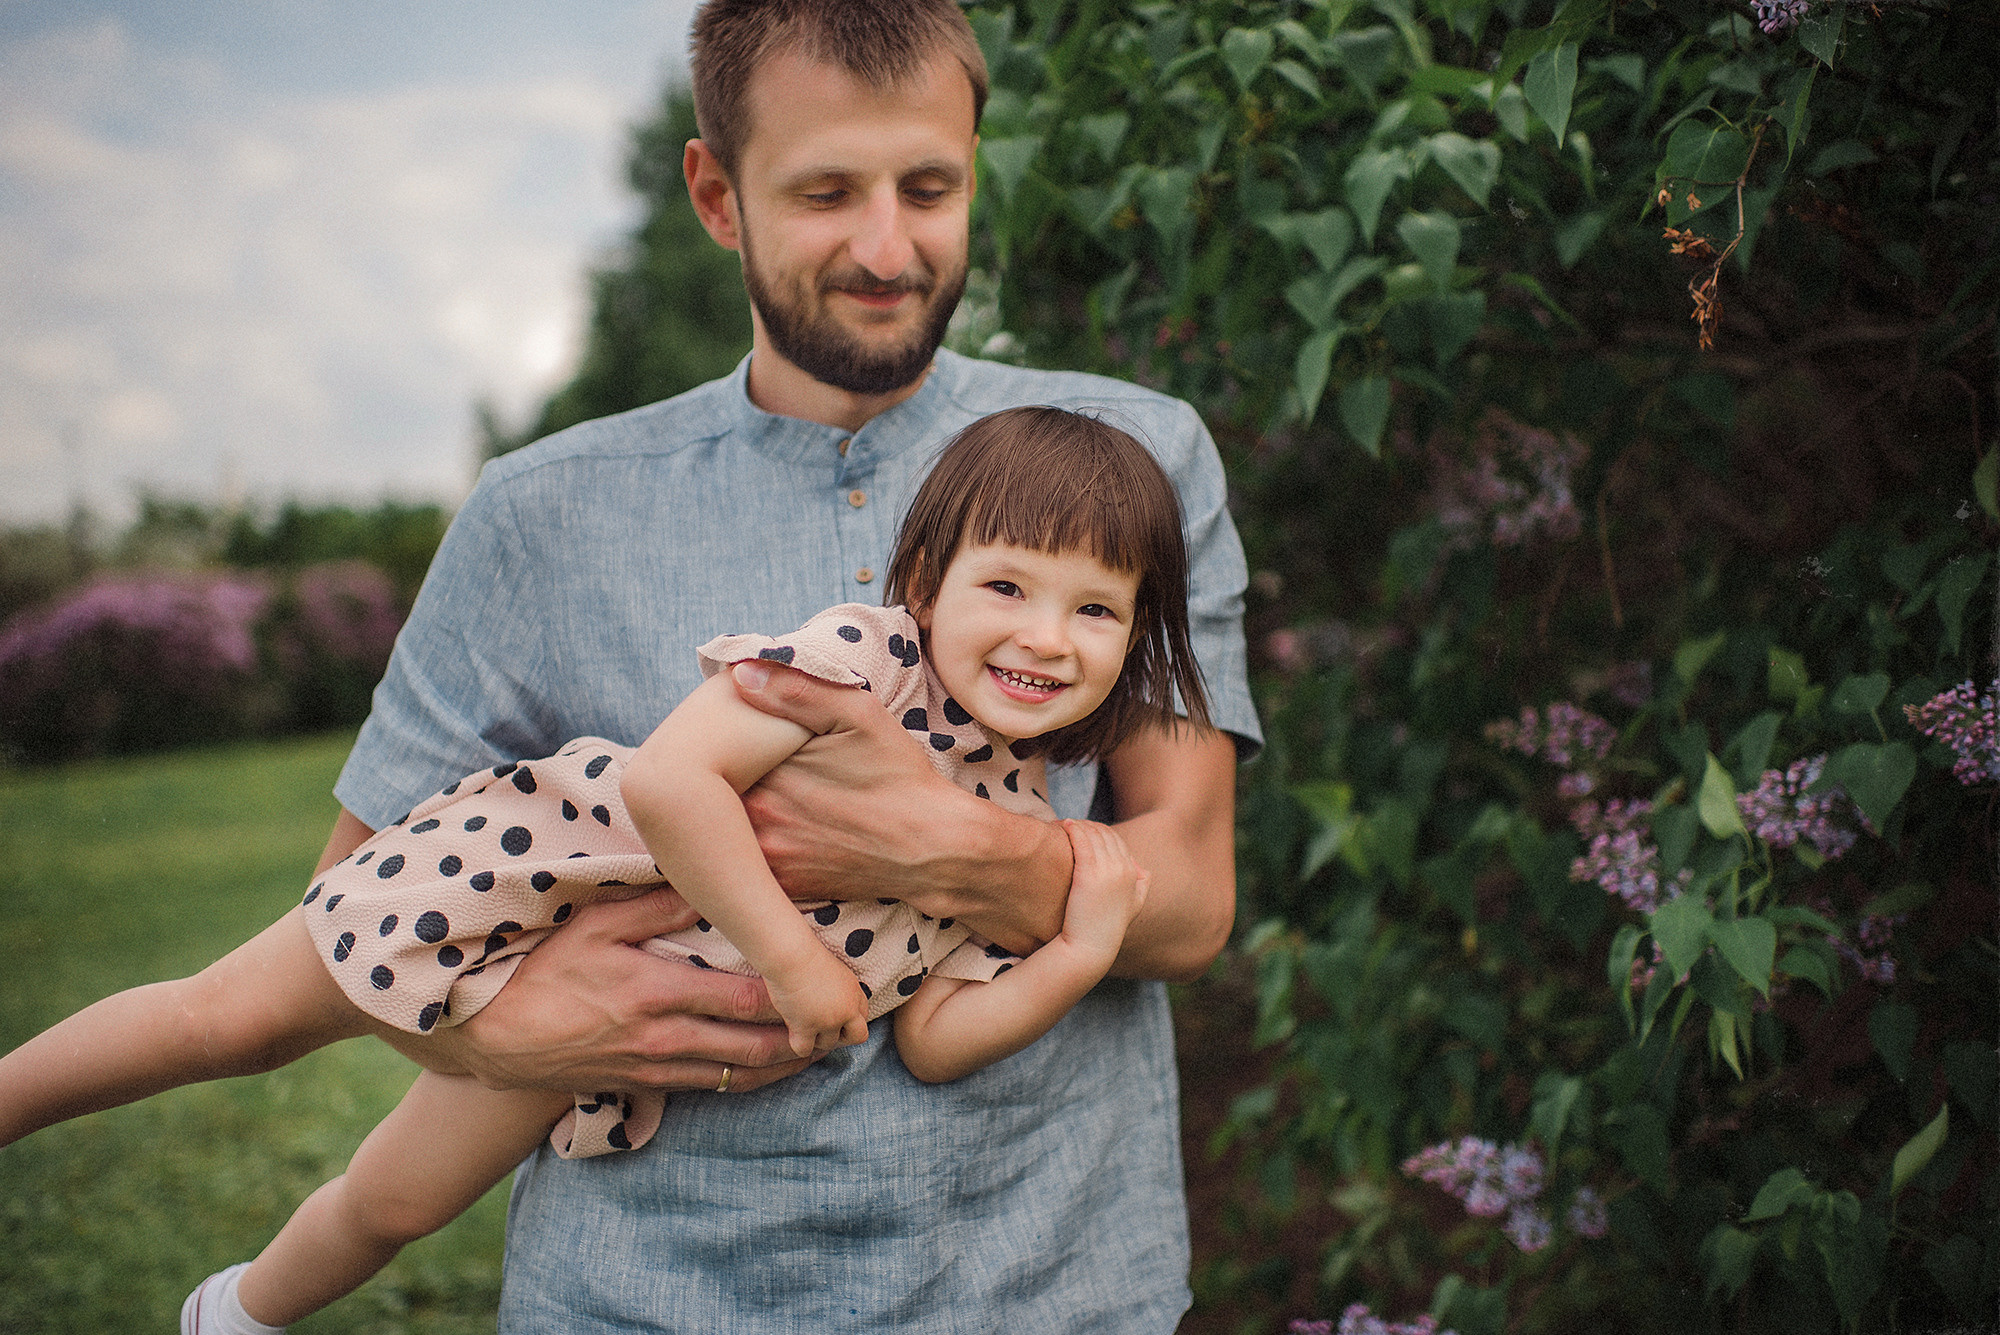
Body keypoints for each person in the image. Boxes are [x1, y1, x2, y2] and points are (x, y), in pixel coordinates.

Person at [230, 0, 1255, 1328]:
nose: (889, 248)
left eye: (929, 186)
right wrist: (507, 1034)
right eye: (826, 191)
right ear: (717, 194)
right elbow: (354, 903)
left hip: (1051, 1287)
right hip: (647, 1296)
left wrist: (934, 846)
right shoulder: (541, 509)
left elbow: (1190, 897)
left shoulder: (1134, 457)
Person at [0, 408, 1212, 1334]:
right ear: (925, 579)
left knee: (402, 1202)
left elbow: (937, 1037)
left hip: (619, 1011)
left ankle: (238, 1315)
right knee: (230, 1018)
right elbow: (669, 783)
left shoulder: (1020, 808)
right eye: (1006, 586)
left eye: (1094, 611)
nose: (1045, 636)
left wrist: (1078, 951)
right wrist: (791, 957)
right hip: (522, 874)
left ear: (1137, 634)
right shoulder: (859, 668)